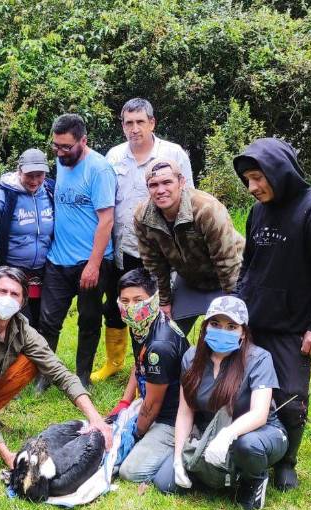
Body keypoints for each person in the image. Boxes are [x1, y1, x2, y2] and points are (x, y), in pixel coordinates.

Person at [233, 138, 311, 491]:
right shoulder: (259, 211)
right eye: (248, 180)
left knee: (290, 396)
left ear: (279, 170)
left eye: (257, 178)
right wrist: (239, 307)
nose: (252, 188)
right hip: (254, 319)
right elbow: (248, 266)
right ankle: (251, 451)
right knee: (243, 391)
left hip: (294, 327)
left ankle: (287, 461)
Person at [0, 266, 114, 468]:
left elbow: (59, 371)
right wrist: (6, 453)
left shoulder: (20, 326)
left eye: (15, 294)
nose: (7, 298)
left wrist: (95, 419)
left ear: (23, 301)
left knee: (33, 362)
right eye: (2, 291)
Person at [154, 296, 289, 510]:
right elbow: (185, 412)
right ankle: (219, 476)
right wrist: (179, 457)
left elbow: (260, 413)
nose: (222, 331)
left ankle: (253, 480)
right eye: (215, 324)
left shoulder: (259, 358)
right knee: (165, 483)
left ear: (243, 332)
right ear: (205, 326)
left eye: (231, 326)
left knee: (248, 446)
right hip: (210, 431)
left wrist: (228, 434)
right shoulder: (191, 357)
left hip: (258, 432)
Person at [92, 98, 194, 383]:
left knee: (161, 309)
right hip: (124, 249)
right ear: (122, 125)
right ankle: (118, 362)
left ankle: (160, 361)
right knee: (123, 308)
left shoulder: (172, 153)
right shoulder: (113, 156)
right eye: (128, 123)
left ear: (152, 123)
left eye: (140, 122)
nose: (134, 129)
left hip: (162, 251)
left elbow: (189, 201)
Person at [38, 113, 117, 389]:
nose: (59, 153)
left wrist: (94, 264)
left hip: (91, 261)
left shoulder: (99, 169)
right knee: (49, 320)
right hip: (58, 259)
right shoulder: (62, 162)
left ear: (83, 141)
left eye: (66, 147)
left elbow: (106, 219)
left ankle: (82, 374)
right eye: (55, 146)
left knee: (89, 320)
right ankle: (45, 375)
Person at [134, 159, 244, 335]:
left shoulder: (206, 209)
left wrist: (232, 303)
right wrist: (164, 302)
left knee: (235, 332)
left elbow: (227, 261)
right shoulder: (143, 216)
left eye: (167, 182)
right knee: (166, 335)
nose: (160, 190)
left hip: (233, 276)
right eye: (153, 185)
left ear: (181, 182)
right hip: (190, 278)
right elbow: (154, 265)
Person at [106, 269, 190, 484]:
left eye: (138, 300)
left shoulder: (159, 346)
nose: (131, 307)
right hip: (154, 402)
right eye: (125, 300)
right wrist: (124, 402)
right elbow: (139, 365)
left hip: (171, 418)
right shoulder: (142, 325)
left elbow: (152, 404)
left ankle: (183, 447)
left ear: (154, 300)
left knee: (129, 471)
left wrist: (135, 435)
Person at [0, 148, 55, 327]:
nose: (35, 181)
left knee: (41, 322)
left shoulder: (50, 192)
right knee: (18, 321)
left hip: (43, 270)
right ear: (19, 170)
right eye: (30, 175)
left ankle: (35, 355)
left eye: (39, 175)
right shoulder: (5, 194)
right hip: (13, 269)